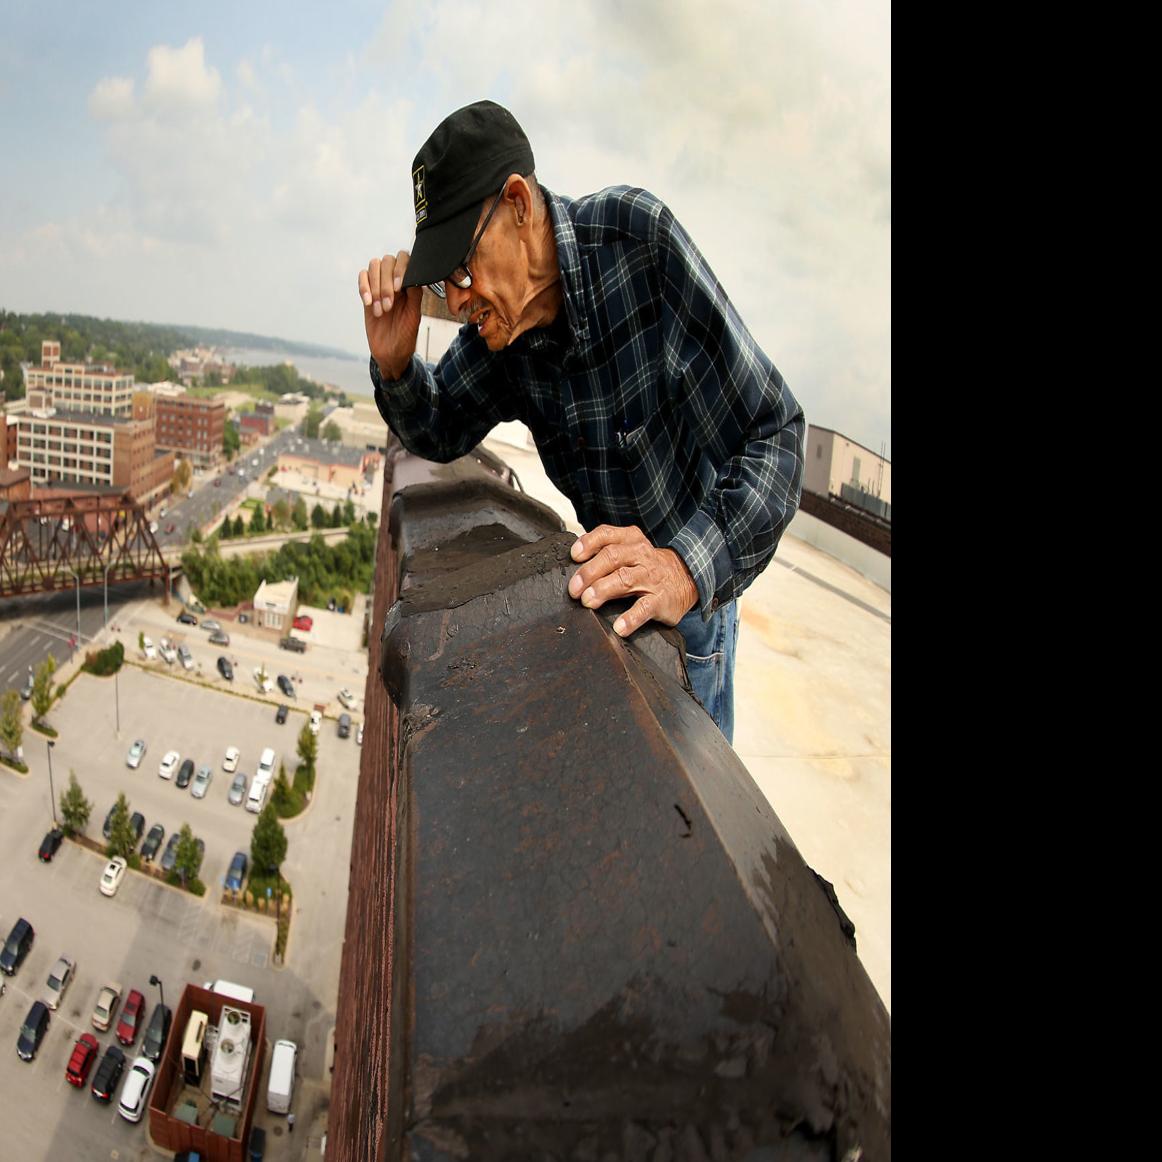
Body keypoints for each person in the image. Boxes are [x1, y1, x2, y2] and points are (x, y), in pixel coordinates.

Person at [359, 101, 805, 743]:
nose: (456, 300)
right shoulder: (503, 333)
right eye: (445, 282)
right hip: (609, 606)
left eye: (461, 266)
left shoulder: (636, 243)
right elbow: (438, 430)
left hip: (691, 613)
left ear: (517, 203)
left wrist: (682, 569)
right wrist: (396, 366)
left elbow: (777, 435)